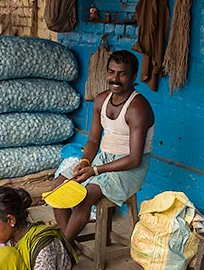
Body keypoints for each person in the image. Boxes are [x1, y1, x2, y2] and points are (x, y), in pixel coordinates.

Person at [51, 50, 154, 245]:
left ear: (133, 77)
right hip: (103, 159)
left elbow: (134, 158)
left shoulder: (137, 108)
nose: (115, 79)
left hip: (129, 168)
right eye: (111, 72)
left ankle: (62, 247)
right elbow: (92, 141)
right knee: (59, 186)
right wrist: (85, 162)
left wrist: (95, 170)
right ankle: (68, 244)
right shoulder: (101, 99)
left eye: (122, 74)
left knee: (85, 195)